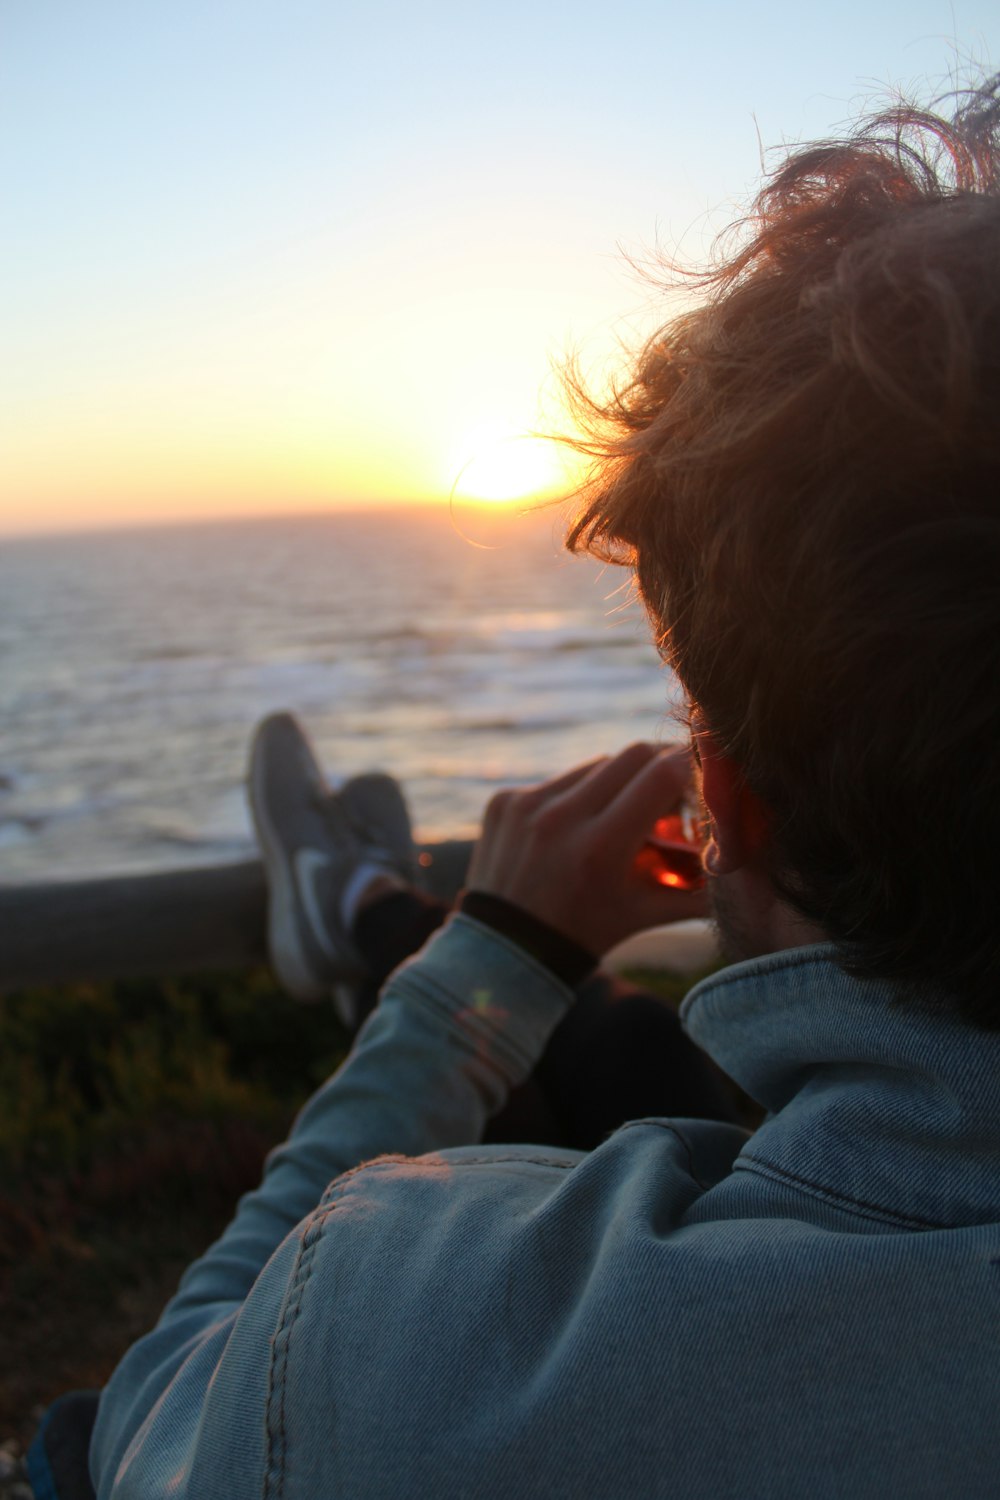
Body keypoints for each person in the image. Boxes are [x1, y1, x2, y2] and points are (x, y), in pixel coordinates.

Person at [45, 84, 1000, 1497]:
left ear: (719, 800)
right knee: (643, 1070)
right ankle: (369, 903)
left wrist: (495, 954)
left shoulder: (410, 1339)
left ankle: (378, 915)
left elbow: (160, 1423)